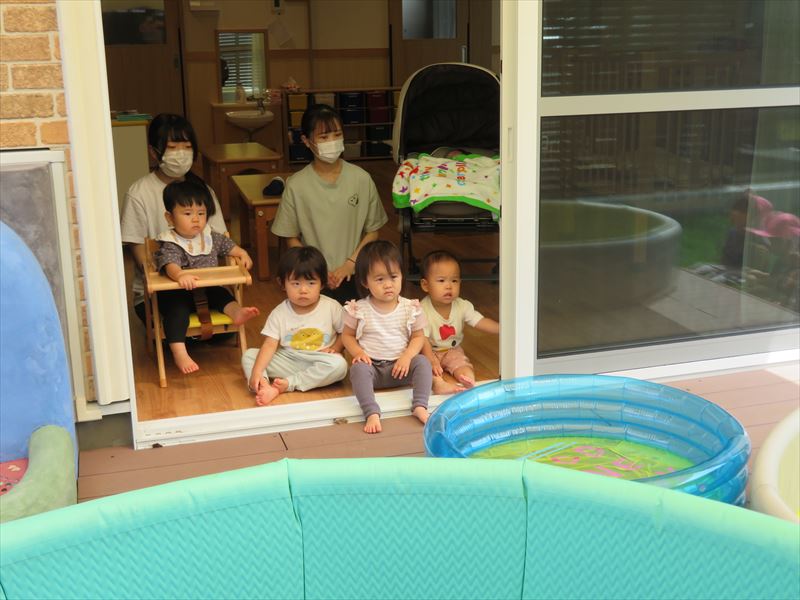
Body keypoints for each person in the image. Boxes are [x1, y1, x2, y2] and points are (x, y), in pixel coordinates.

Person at [271, 104, 388, 304]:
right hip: (313, 278)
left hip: (356, 273)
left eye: (337, 135)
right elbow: (291, 237)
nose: (332, 142)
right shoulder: (296, 185)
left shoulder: (361, 179)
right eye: (324, 137)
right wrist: (317, 270)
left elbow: (373, 231)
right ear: (306, 141)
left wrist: (350, 264)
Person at [120, 113, 228, 323]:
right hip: (159, 293)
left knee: (219, 329)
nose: (181, 154)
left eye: (187, 147)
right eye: (172, 148)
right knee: (177, 325)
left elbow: (220, 238)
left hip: (203, 286)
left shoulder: (202, 191)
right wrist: (168, 277)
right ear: (154, 152)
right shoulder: (139, 193)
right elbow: (139, 252)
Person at [155, 180, 259, 374]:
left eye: (201, 213)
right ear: (170, 218)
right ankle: (180, 353)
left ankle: (236, 313)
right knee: (176, 313)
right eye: (188, 214)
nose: (196, 219)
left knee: (223, 295)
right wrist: (179, 274)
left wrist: (242, 253)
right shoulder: (170, 243)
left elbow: (229, 247)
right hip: (178, 292)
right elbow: (170, 264)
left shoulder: (210, 236)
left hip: (207, 289)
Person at [341, 240, 431, 434]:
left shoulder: (410, 307)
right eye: (380, 279)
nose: (388, 284)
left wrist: (407, 356)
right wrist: (358, 352)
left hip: (401, 367)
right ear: (365, 282)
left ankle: (420, 405)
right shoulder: (358, 309)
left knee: (423, 363)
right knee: (357, 370)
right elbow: (346, 336)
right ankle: (371, 411)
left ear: (401, 276)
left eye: (393, 277)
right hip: (372, 369)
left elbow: (418, 337)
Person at [242, 246, 348, 406]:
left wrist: (336, 348)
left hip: (320, 359)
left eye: (311, 283)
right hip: (289, 359)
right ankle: (263, 385)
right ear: (282, 284)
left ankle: (288, 384)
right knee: (249, 356)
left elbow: (345, 332)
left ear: (322, 283)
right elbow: (270, 345)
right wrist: (257, 372)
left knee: (339, 366)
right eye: (296, 283)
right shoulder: (279, 313)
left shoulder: (332, 307)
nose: (303, 290)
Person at [419, 250, 499, 392]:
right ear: (425, 285)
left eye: (454, 281)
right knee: (424, 368)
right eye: (441, 280)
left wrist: (503, 328)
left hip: (452, 350)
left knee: (462, 363)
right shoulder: (422, 309)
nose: (449, 286)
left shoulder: (462, 306)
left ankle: (467, 380)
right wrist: (431, 359)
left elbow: (480, 321)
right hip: (427, 350)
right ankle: (438, 384)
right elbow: (422, 339)